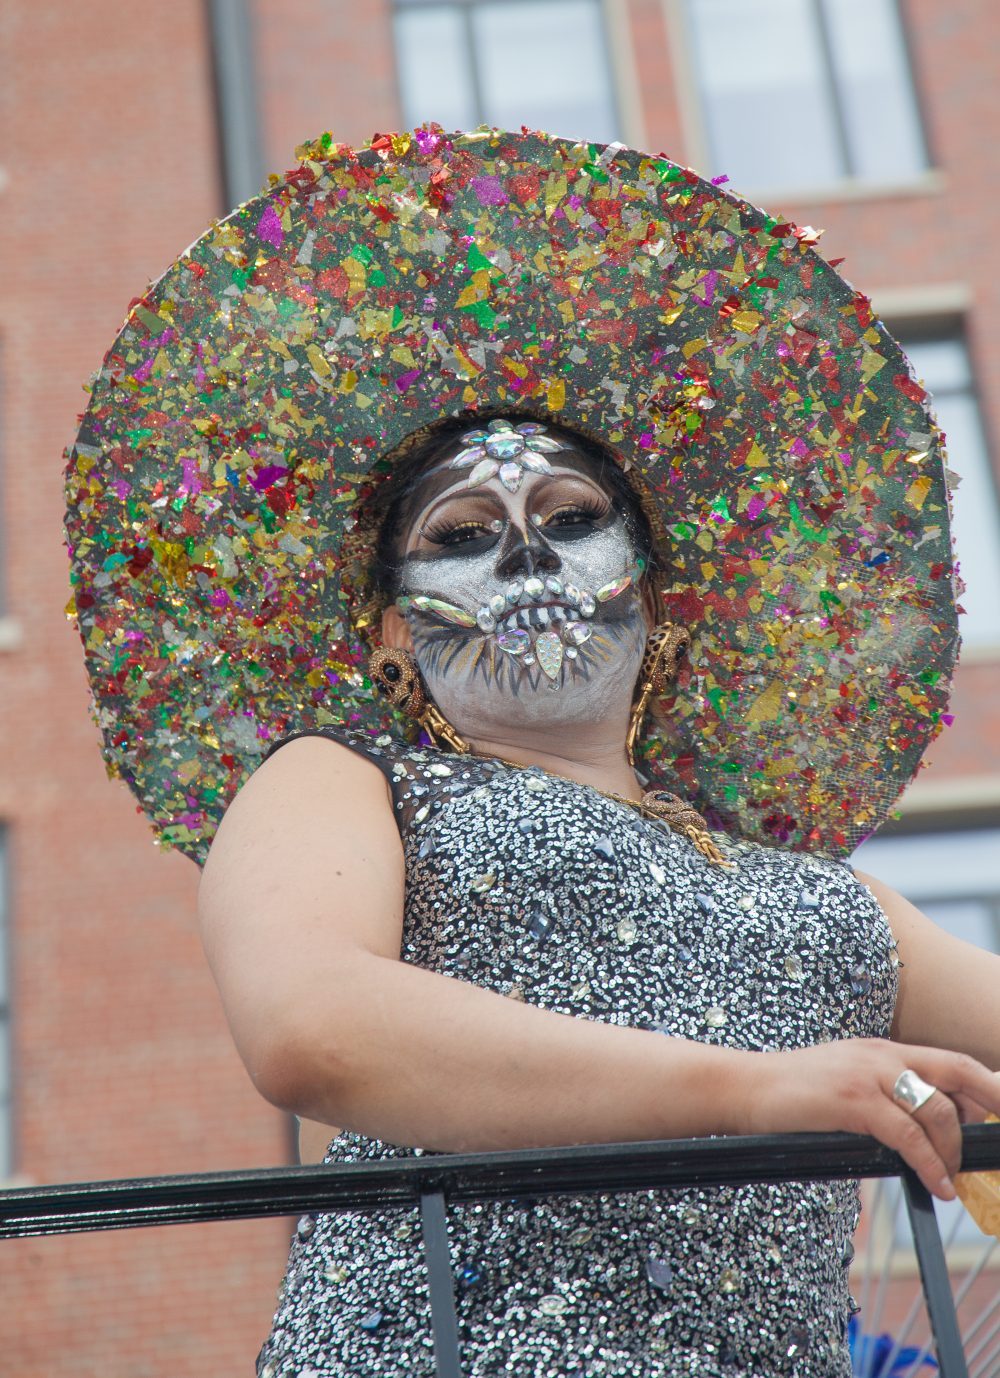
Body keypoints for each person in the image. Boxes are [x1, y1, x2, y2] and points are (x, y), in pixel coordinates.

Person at [65, 127, 1000, 1375]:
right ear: (390, 633)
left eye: (571, 517)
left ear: (652, 594)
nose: (526, 554)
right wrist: (757, 1090)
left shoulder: (830, 903)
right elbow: (311, 1024)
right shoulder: (345, 781)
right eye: (462, 532)